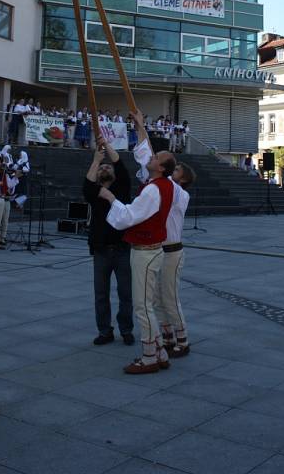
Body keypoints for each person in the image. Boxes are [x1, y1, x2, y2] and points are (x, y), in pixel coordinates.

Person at [100, 108, 175, 374]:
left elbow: (130, 216)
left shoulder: (154, 189)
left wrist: (110, 199)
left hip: (145, 251)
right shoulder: (159, 183)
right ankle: (160, 351)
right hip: (150, 250)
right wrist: (141, 125)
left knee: (143, 307)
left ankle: (149, 356)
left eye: (158, 158)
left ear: (162, 168)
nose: (151, 158)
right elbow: (145, 153)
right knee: (147, 304)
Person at [84, 138, 134, 346]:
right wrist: (96, 159)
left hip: (122, 249)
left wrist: (107, 146)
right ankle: (105, 331)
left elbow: (121, 166)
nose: (105, 168)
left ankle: (126, 329)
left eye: (107, 166)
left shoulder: (122, 188)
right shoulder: (94, 192)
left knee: (126, 294)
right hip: (101, 250)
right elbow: (87, 184)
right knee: (101, 294)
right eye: (101, 167)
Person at [155, 162, 196, 358]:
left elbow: (167, 185)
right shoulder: (165, 188)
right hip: (158, 249)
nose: (174, 172)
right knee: (156, 297)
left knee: (170, 296)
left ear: (184, 178)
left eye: (177, 170)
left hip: (172, 251)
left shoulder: (181, 194)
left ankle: (183, 339)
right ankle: (168, 336)